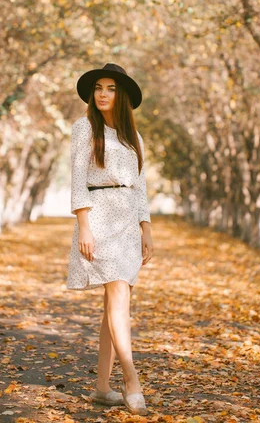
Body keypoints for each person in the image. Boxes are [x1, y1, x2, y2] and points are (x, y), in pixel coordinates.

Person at [66, 62, 154, 416]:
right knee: (118, 299)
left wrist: (147, 229)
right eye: (98, 87)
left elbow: (142, 186)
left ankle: (103, 389)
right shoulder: (83, 128)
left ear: (122, 96)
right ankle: (131, 380)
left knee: (114, 308)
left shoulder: (134, 138)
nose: (102, 93)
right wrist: (84, 225)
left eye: (111, 88)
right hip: (99, 220)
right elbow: (76, 179)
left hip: (128, 224)